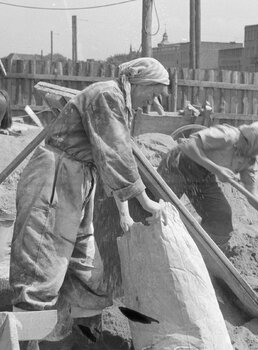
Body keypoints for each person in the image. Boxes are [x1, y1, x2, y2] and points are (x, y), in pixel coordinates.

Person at [10, 57, 170, 347]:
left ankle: (79, 339)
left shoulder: (119, 100)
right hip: (55, 178)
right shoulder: (107, 95)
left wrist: (125, 211)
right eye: (154, 92)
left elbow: (108, 156)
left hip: (81, 179)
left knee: (86, 264)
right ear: (140, 82)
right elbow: (116, 153)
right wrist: (146, 202)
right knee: (42, 261)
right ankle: (24, 340)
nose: (153, 101)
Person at [157, 121, 258, 251]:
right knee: (160, 209)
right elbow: (189, 145)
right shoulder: (229, 135)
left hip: (202, 175)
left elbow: (252, 195)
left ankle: (205, 255)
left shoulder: (249, 159)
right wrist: (217, 169)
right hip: (178, 164)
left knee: (220, 216)